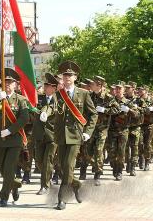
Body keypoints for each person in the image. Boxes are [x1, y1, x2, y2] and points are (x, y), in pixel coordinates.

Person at [52, 61, 97, 210]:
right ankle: (76, 184)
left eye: (70, 75)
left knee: (68, 165)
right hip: (60, 136)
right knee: (61, 168)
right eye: (65, 75)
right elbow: (53, 111)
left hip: (75, 135)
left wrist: (88, 132)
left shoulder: (83, 94)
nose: (67, 78)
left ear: (75, 77)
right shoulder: (58, 94)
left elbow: (93, 114)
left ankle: (62, 199)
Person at [0, 68, 29, 207]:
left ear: (15, 85)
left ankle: (3, 197)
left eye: (10, 83)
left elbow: (24, 118)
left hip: (14, 140)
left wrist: (10, 130)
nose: (8, 85)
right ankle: (13, 185)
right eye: (6, 82)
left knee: (9, 168)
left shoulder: (20, 100)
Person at [82, 76, 117, 185]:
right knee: (87, 151)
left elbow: (117, 109)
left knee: (98, 150)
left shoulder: (108, 97)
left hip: (102, 128)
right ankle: (92, 166)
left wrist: (105, 110)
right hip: (91, 128)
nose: (90, 86)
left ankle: (97, 174)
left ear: (99, 85)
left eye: (92, 84)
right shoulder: (89, 95)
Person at [33, 73, 59, 195]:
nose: (46, 87)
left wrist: (45, 113)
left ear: (54, 88)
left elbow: (50, 109)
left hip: (52, 135)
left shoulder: (58, 99)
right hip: (39, 134)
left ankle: (45, 186)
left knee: (48, 161)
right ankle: (48, 175)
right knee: (38, 160)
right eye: (45, 85)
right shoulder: (39, 98)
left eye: (48, 86)